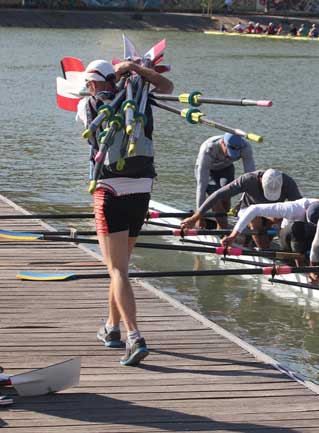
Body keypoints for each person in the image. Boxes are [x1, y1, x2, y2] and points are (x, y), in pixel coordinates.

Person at [81, 58, 173, 366]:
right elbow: (166, 85)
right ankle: (111, 328)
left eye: (88, 84)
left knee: (117, 269)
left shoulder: (90, 106)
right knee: (120, 266)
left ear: (94, 83)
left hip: (110, 189)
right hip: (143, 189)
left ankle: (135, 337)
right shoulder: (139, 98)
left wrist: (120, 74)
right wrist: (137, 69)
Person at [181, 169, 302, 248]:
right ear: (260, 180)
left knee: (285, 220)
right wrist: (195, 217)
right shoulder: (248, 180)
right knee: (255, 219)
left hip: (272, 214)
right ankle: (265, 251)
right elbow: (217, 195)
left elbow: (300, 209)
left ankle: (277, 246)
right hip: (248, 211)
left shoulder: (288, 183)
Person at [221, 198, 319, 259]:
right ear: (306, 211)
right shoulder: (293, 208)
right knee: (296, 229)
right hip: (288, 233)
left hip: (314, 231)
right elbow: (254, 209)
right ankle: (298, 261)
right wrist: (233, 236)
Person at [194, 133, 255, 229]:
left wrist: (242, 202)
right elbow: (201, 187)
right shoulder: (208, 149)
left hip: (226, 169)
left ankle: (221, 227)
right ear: (222, 143)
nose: (229, 155)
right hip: (207, 171)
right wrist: (199, 216)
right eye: (228, 151)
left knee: (226, 198)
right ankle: (223, 229)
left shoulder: (245, 147)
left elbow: (251, 179)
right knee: (216, 199)